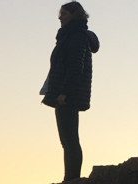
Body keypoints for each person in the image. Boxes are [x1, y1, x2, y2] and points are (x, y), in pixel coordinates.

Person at [40, 1, 100, 182]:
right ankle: (70, 177)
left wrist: (64, 93)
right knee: (68, 140)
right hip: (65, 94)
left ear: (74, 15)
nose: (60, 17)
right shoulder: (70, 36)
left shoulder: (76, 36)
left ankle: (71, 178)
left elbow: (76, 67)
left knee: (70, 140)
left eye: (64, 14)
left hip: (67, 96)